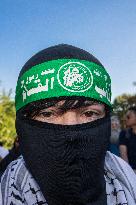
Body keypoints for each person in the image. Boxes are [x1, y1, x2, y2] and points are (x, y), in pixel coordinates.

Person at [0, 44, 136, 205]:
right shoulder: (9, 186)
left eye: (89, 113)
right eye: (47, 114)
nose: (71, 130)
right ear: (23, 124)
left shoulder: (126, 177)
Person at [119, 106, 136, 173]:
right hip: (132, 170)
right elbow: (124, 155)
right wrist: (129, 173)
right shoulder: (124, 133)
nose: (125, 119)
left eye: (128, 117)